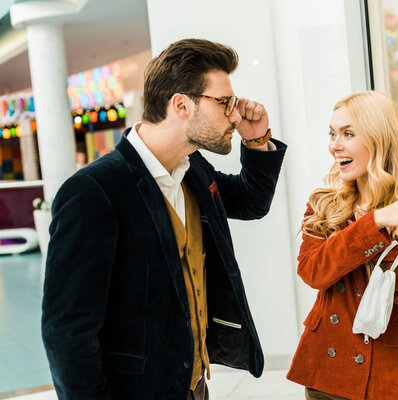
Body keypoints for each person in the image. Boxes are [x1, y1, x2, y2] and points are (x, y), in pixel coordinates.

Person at [41, 38, 286, 400]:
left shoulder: (194, 170)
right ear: (181, 104)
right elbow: (67, 331)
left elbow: (251, 203)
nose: (235, 115)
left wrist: (256, 141)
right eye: (224, 103)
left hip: (194, 386)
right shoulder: (94, 191)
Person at [286, 91, 398, 400]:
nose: (335, 145)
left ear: (379, 138)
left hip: (395, 377)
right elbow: (313, 272)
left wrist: (389, 240)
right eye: (333, 133)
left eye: (348, 134)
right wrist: (373, 223)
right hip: (330, 375)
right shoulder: (325, 203)